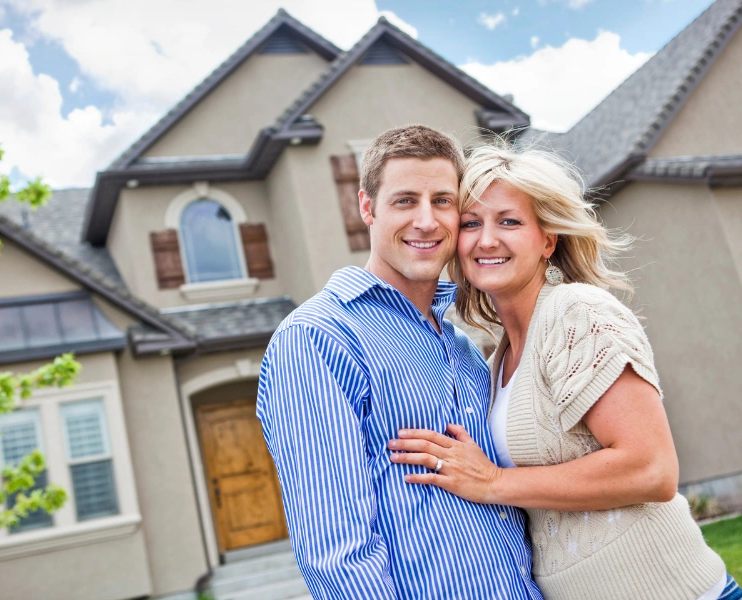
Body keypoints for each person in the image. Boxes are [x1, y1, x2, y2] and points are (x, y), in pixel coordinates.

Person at [389, 140, 738, 600]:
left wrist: (495, 482)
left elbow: (652, 470)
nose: (486, 239)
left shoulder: (576, 313)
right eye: (471, 223)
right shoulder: (497, 361)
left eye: (509, 221)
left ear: (547, 239)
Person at [256, 125, 542, 599]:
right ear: (367, 208)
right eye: (405, 200)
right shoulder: (317, 338)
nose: (427, 221)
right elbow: (337, 553)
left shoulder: (462, 345)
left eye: (443, 201)